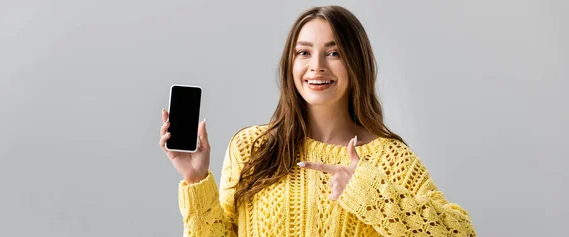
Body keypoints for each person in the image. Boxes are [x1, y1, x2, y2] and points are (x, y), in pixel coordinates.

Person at [159, 5, 476, 237]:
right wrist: (195, 178)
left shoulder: (389, 159)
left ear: (356, 64)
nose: (317, 66)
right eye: (304, 53)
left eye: (334, 53)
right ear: (290, 64)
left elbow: (461, 234)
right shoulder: (252, 147)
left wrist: (367, 191)